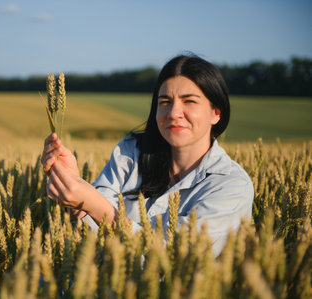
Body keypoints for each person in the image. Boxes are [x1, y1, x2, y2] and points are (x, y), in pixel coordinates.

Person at [41, 54, 254, 257]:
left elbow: (173, 258)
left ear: (216, 112)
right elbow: (90, 230)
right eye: (165, 102)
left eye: (189, 101)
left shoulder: (232, 186)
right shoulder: (131, 152)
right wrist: (73, 189)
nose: (173, 112)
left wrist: (96, 206)